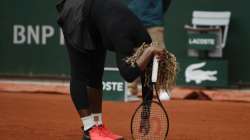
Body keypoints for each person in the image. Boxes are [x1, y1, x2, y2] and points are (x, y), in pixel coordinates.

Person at [56, 0, 166, 139]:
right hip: (77, 12)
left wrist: (145, 115)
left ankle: (98, 126)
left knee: (96, 75)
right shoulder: (124, 38)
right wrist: (149, 52)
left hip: (97, 19)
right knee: (79, 73)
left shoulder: (145, 41)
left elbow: (147, 78)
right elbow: (128, 75)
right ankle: (89, 129)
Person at [126, 0, 172, 100]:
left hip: (153, 22)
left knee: (160, 55)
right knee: (133, 56)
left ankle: (163, 88)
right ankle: (131, 90)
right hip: (133, 21)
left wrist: (156, 12)